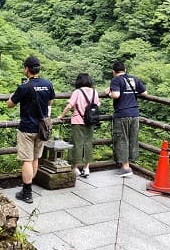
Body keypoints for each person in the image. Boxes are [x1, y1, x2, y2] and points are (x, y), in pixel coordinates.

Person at [7, 56, 55, 204]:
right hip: (41, 128)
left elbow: (10, 104)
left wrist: (10, 96)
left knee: (27, 160)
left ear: (27, 69)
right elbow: (50, 101)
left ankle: (27, 192)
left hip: (27, 128)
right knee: (35, 158)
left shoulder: (24, 87)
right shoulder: (48, 84)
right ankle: (29, 187)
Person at [103, 61, 147, 177]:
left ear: (114, 71)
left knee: (122, 139)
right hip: (135, 114)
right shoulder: (134, 79)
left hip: (122, 114)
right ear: (125, 70)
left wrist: (108, 93)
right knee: (132, 138)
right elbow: (145, 92)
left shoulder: (116, 80)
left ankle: (126, 168)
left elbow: (116, 95)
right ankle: (130, 163)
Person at [58, 73, 100, 178]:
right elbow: (97, 105)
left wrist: (61, 116)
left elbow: (69, 106)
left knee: (77, 144)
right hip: (90, 121)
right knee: (88, 143)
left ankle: (75, 168)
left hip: (78, 121)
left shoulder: (77, 92)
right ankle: (86, 168)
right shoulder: (94, 92)